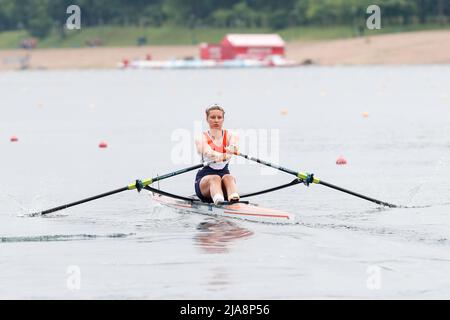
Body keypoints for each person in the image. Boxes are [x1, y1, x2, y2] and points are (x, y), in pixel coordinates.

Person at [195, 104, 239, 205]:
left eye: (219, 117)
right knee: (215, 178)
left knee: (229, 177)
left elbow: (234, 145)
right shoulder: (201, 138)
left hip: (224, 176)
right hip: (205, 181)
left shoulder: (231, 135)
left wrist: (232, 148)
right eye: (212, 117)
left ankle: (234, 201)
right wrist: (218, 155)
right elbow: (207, 151)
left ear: (223, 119)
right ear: (207, 119)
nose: (216, 120)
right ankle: (219, 200)